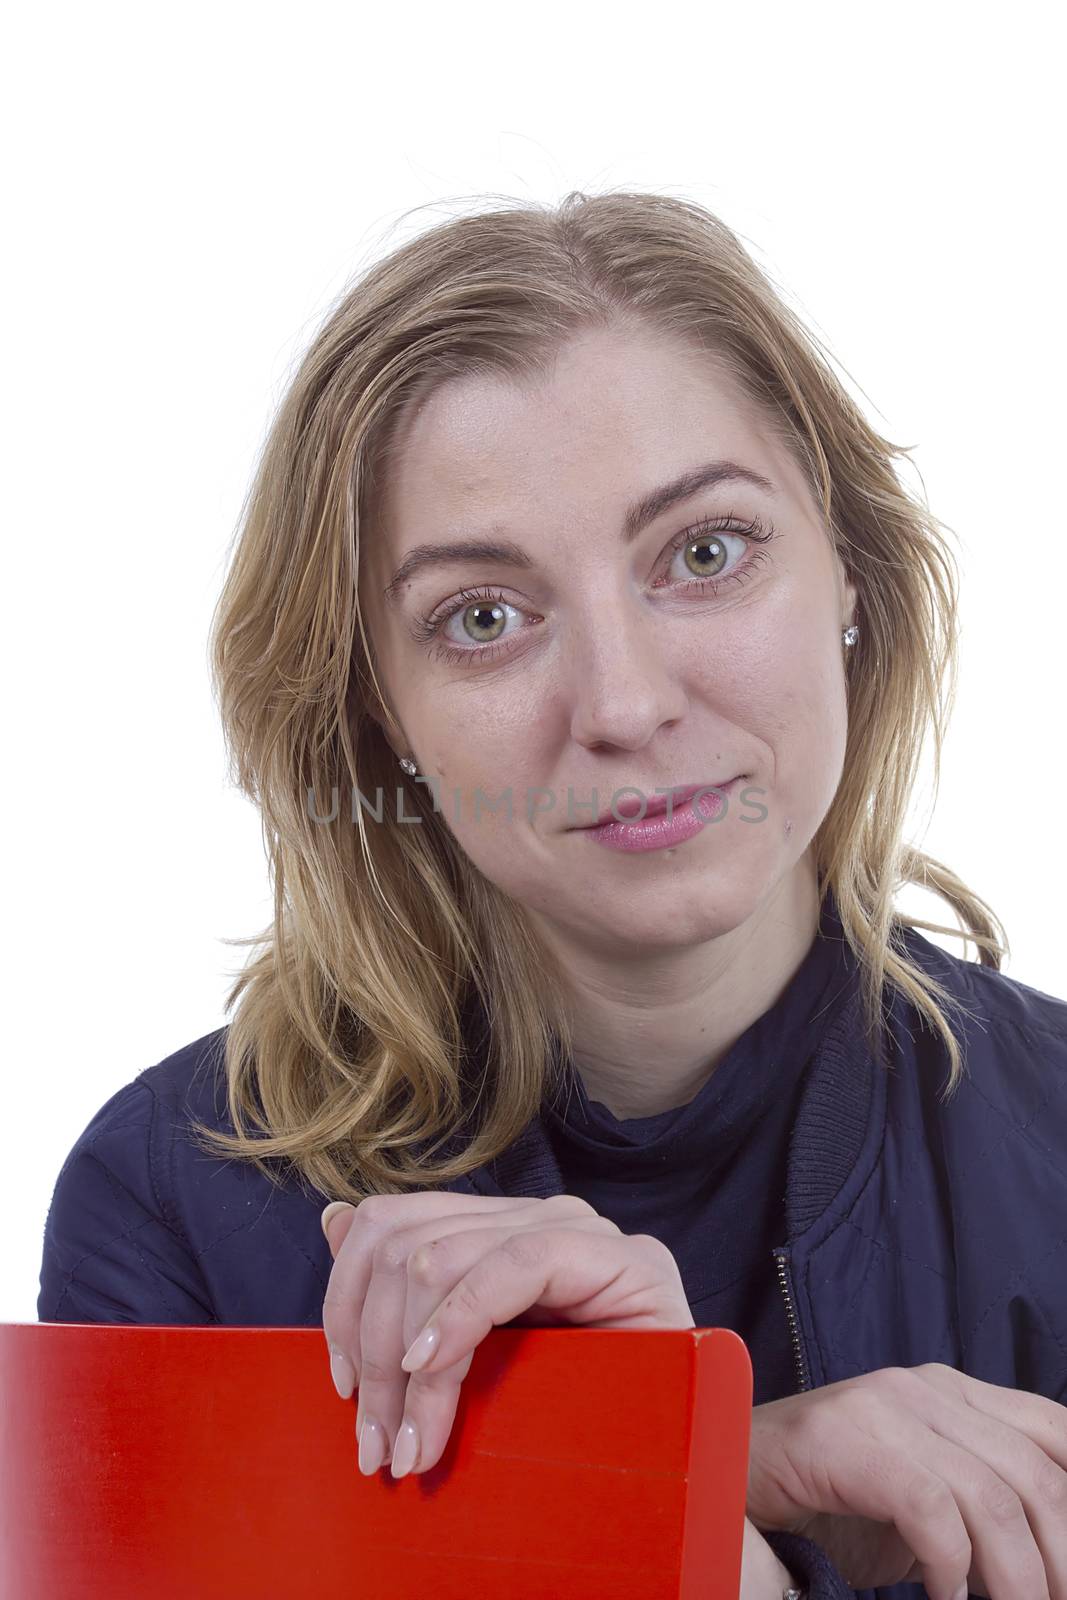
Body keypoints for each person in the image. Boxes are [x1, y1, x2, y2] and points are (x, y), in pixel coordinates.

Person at [37, 190, 1067, 1600]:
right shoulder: (174, 1205)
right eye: (484, 618)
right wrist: (674, 1467)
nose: (627, 704)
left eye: (705, 552)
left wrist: (702, 1482)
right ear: (378, 710)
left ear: (851, 573)